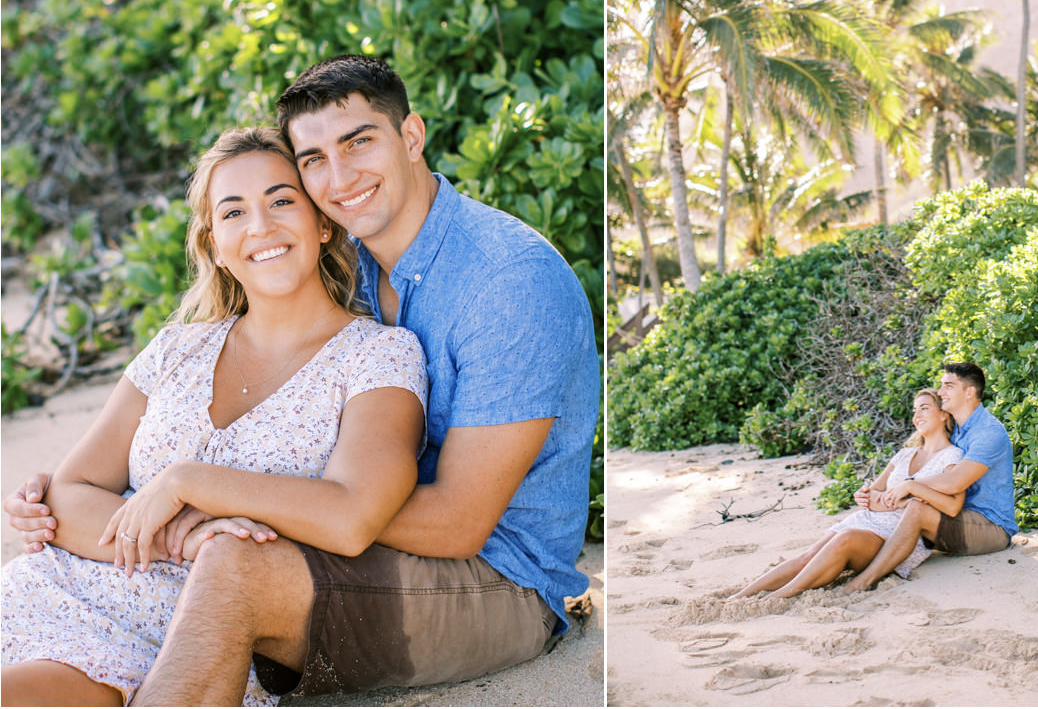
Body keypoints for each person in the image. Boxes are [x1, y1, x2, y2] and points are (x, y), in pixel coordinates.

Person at [7, 55, 599, 704]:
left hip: (496, 577)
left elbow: (451, 524)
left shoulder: (506, 284)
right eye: (313, 159)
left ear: (410, 138)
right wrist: (73, 504)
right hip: (170, 575)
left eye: (358, 142)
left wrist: (210, 493)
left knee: (234, 567)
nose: (339, 177)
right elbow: (81, 484)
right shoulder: (361, 269)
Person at [1, 127, 428, 706]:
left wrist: (188, 483)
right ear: (215, 243)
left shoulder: (377, 355)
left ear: (323, 223)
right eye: (233, 213)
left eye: (282, 201)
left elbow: (354, 515)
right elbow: (69, 494)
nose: (261, 226)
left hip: (184, 632)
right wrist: (187, 532)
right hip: (52, 591)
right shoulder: (177, 348)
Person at [727, 389, 964, 600]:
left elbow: (949, 505)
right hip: (866, 520)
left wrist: (894, 500)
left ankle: (780, 596)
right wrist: (866, 496)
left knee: (846, 539)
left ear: (944, 414)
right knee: (808, 555)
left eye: (924, 408)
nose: (917, 415)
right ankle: (741, 596)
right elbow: (873, 493)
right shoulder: (904, 454)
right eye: (914, 411)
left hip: (895, 535)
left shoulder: (952, 457)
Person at [842, 361, 1016, 594]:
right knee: (901, 511)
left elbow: (955, 481)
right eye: (941, 386)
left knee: (916, 508)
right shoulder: (956, 431)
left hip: (990, 527)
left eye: (948, 386)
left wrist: (911, 485)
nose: (941, 392)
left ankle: (863, 581)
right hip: (953, 516)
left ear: (969, 392)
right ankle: (849, 560)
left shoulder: (988, 433)